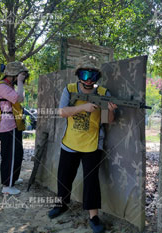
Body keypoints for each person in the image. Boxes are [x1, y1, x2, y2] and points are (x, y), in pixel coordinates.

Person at [48, 55, 117, 233]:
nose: (88, 79)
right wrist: (83, 107)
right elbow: (62, 112)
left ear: (97, 77)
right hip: (70, 142)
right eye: (85, 74)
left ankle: (93, 216)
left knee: (91, 181)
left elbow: (107, 121)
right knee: (64, 176)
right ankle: (62, 204)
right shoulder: (69, 89)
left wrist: (109, 111)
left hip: (93, 144)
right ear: (78, 74)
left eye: (93, 76)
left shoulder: (103, 93)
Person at [0, 61, 28, 195]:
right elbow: (19, 99)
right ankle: (7, 186)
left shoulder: (8, 85)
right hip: (7, 126)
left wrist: (17, 81)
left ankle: (13, 178)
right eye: (21, 75)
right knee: (10, 156)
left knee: (17, 154)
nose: (24, 78)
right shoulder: (2, 86)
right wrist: (19, 82)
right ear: (14, 74)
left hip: (13, 124)